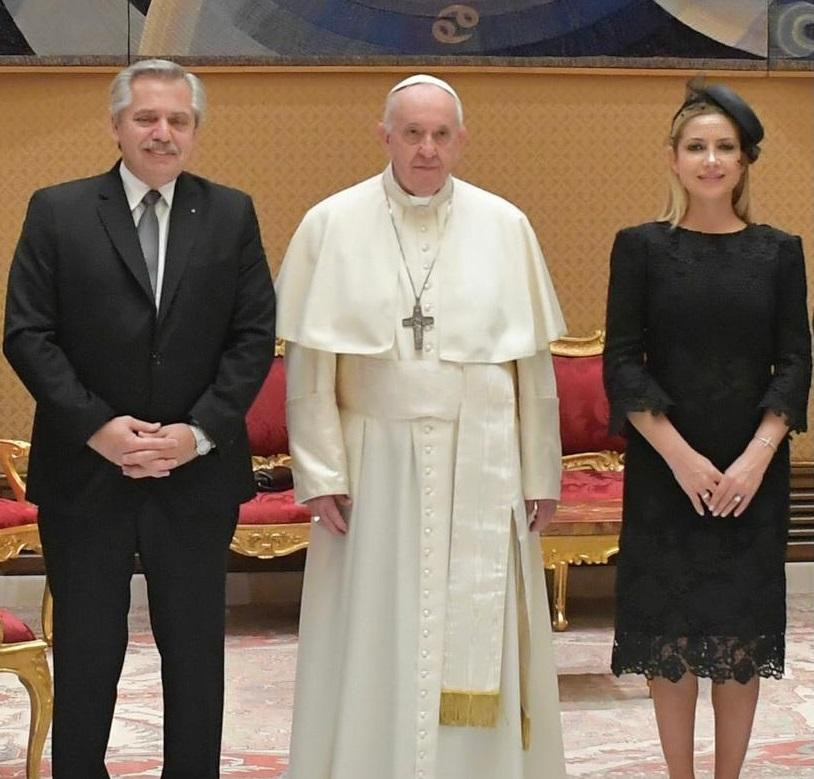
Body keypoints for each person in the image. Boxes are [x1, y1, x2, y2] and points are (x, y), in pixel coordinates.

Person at [275, 73, 567, 779]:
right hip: (374, 462)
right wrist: (319, 472)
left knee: (482, 629)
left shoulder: (506, 225)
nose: (427, 149)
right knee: (372, 626)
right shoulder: (331, 223)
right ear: (385, 137)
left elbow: (532, 370)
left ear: (461, 141)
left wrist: (539, 470)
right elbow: (311, 369)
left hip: (484, 460)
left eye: (441, 134)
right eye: (412, 133)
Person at [3, 59, 276, 778]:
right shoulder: (57, 209)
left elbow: (254, 339)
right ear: (117, 124)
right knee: (89, 653)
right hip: (85, 474)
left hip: (196, 476)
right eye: (147, 118)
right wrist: (100, 428)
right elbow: (28, 333)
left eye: (178, 120)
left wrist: (195, 433)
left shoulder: (230, 213)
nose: (162, 133)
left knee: (194, 655)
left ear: (195, 130)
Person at [604, 79, 811, 779]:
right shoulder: (640, 248)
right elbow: (623, 361)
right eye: (697, 146)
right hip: (668, 473)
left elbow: (795, 360)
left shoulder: (780, 251)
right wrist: (681, 459)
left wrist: (755, 458)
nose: (711, 160)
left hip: (753, 475)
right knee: (670, 634)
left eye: (725, 147)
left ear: (745, 161)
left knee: (739, 633)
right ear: (673, 158)